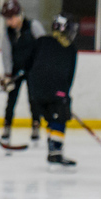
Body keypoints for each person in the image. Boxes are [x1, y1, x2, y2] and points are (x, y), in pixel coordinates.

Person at [28, 12, 80, 169]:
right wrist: (64, 96)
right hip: (56, 91)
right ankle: (55, 152)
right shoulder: (70, 48)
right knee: (59, 118)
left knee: (51, 117)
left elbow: (29, 62)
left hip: (36, 93)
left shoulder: (42, 41)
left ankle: (53, 149)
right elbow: (69, 76)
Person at [0, 0, 46, 144]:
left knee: (33, 99)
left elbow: (44, 45)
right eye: (7, 19)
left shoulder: (33, 26)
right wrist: (8, 74)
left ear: (19, 15)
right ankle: (7, 126)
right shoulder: (8, 33)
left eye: (11, 18)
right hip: (16, 70)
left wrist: (40, 67)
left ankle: (36, 125)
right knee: (11, 99)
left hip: (33, 70)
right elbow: (6, 54)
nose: (9, 21)